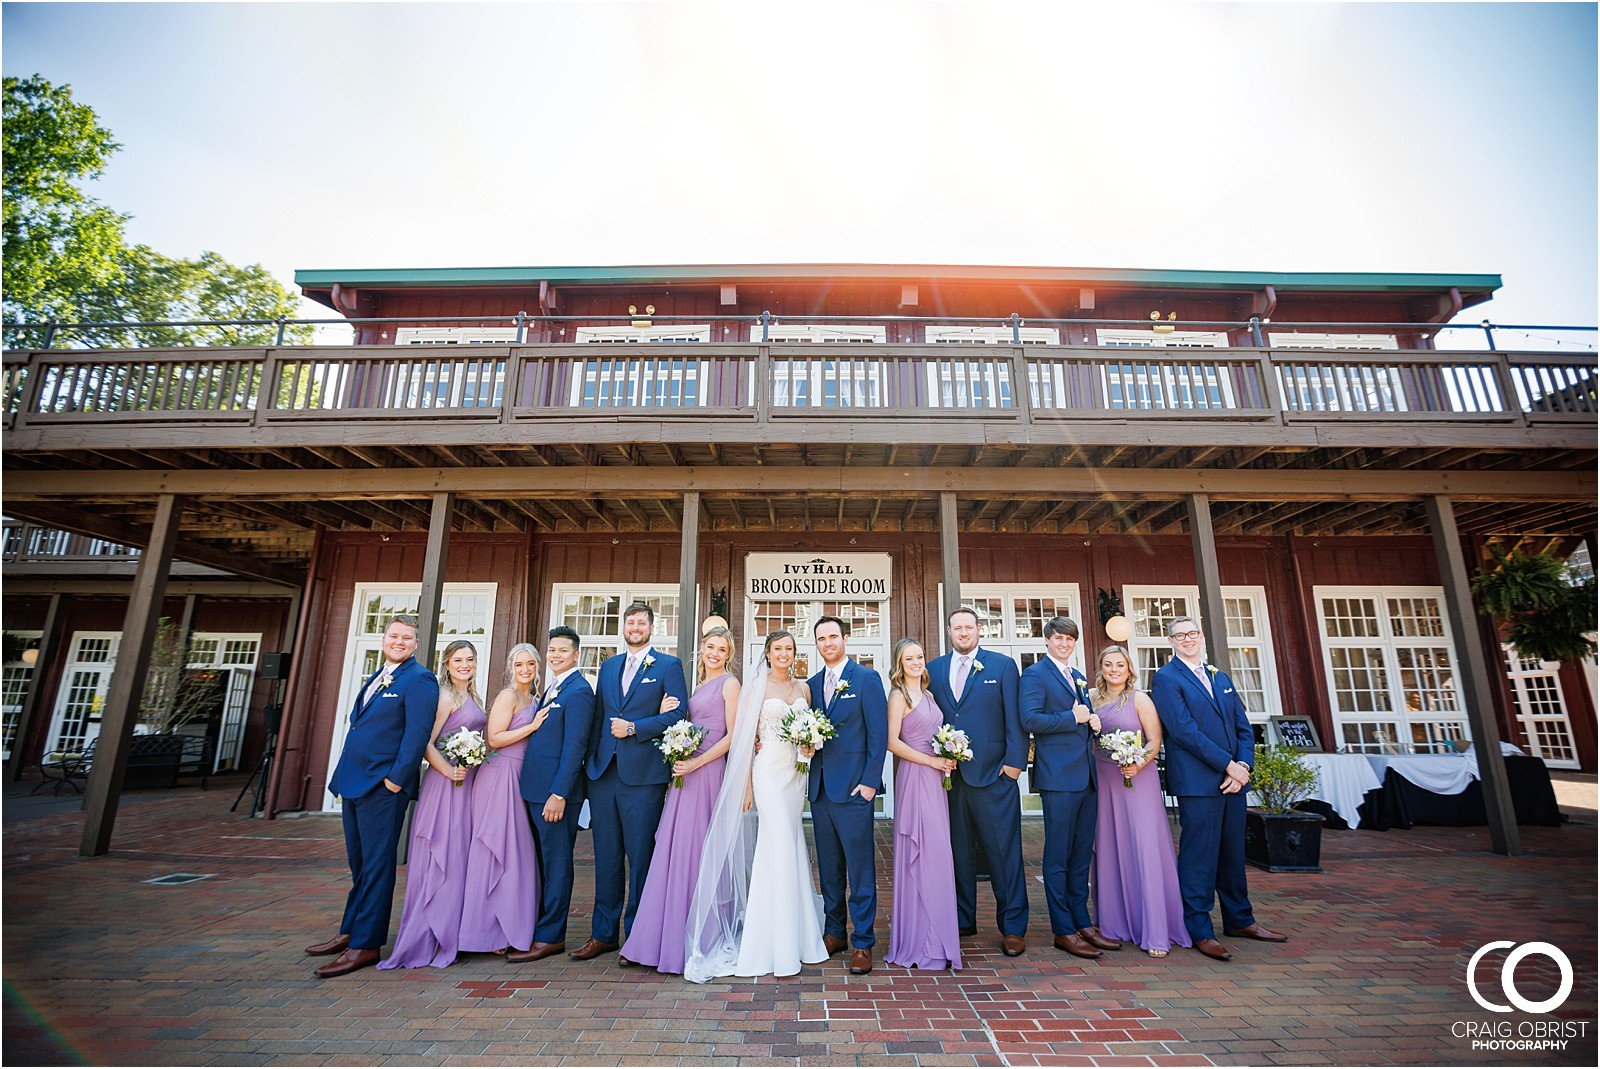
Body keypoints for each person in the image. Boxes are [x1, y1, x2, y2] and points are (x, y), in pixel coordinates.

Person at [683, 630, 828, 982]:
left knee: (792, 845)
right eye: (777, 648)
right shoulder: (755, 688)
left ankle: (799, 935)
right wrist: (746, 783)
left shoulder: (804, 689)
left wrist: (810, 746)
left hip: (795, 777)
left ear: (795, 653)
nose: (784, 653)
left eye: (789, 648)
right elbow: (746, 739)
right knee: (774, 845)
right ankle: (770, 944)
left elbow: (810, 733)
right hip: (766, 776)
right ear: (767, 653)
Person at [308, 614, 439, 978]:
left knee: (379, 866)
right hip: (353, 783)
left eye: (407, 638)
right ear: (384, 639)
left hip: (382, 788)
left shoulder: (419, 680)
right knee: (360, 863)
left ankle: (365, 944)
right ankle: (350, 930)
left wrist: (395, 781)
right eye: (393, 635)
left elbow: (416, 735)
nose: (399, 642)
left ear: (416, 644)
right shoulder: (377, 675)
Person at [1149, 616, 1286, 962]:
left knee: (1232, 852)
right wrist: (1229, 765)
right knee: (1199, 857)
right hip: (1198, 782)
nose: (1187, 639)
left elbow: (1243, 726)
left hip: (1233, 781)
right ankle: (1199, 929)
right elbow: (1183, 731)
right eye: (1180, 636)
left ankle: (1240, 919)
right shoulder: (1166, 678)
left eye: (1192, 633)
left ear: (1202, 637)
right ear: (1171, 642)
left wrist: (1244, 768)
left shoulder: (1219, 676)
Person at [620, 625, 740, 973]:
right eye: (710, 647)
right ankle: (659, 937)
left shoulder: (730, 685)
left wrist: (698, 761)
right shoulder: (697, 684)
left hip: (706, 771)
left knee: (697, 849)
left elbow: (734, 736)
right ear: (701, 650)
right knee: (672, 848)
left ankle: (699, 936)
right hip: (683, 772)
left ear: (728, 654)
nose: (714, 653)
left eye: (721, 649)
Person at [573, 603, 690, 961]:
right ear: (623, 628)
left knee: (640, 857)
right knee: (606, 856)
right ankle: (603, 933)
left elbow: (679, 712)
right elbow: (597, 717)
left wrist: (637, 728)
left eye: (642, 622)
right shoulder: (608, 666)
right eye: (630, 622)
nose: (635, 626)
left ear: (652, 628)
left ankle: (636, 937)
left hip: (643, 775)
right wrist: (588, 765)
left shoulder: (668, 666)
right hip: (604, 773)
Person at [378, 640, 488, 969]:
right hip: (445, 784)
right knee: (444, 856)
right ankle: (430, 934)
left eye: (469, 659)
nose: (464, 665)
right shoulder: (442, 696)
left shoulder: (474, 695)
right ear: (447, 663)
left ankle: (456, 930)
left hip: (467, 784)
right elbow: (424, 741)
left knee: (461, 858)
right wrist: (448, 769)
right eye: (458, 660)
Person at [925, 607, 1029, 956]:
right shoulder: (935, 669)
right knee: (957, 852)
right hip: (951, 780)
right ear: (950, 631)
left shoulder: (1001, 666)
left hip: (994, 778)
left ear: (980, 630)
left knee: (1004, 853)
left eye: (970, 627)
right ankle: (962, 918)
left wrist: (1014, 765)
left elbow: (1015, 719)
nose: (964, 633)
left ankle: (1012, 926)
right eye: (958, 628)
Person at [1019, 615, 1123, 960]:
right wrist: (1073, 718)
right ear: (1046, 640)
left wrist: (1091, 722)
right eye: (1058, 639)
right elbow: (1030, 720)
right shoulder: (1035, 675)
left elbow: (1081, 718)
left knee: (1081, 856)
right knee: (1058, 857)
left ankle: (1083, 923)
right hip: (1059, 780)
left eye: (1070, 639)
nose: (1064, 644)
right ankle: (1063, 930)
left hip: (1087, 778)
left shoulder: (1077, 676)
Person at [1088, 644, 1189, 958]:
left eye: (1120, 664)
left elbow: (1155, 740)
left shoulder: (1141, 699)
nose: (1115, 669)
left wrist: (1138, 763)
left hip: (1136, 779)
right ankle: (1113, 924)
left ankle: (1156, 929)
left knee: (1144, 846)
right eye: (1108, 664)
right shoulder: (1091, 698)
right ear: (1101, 668)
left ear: (1129, 669)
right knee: (1107, 846)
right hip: (1103, 779)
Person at [807, 615, 889, 975]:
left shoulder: (867, 679)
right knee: (828, 868)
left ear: (846, 639)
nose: (828, 643)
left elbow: (878, 734)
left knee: (859, 868)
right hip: (821, 790)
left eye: (833, 637)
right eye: (821, 638)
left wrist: (870, 781)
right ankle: (835, 931)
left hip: (855, 789)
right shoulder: (810, 685)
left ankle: (863, 941)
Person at [508, 627, 594, 963]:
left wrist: (559, 793)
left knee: (556, 863)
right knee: (540, 861)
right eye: (552, 650)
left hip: (555, 796)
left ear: (576, 655)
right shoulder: (552, 688)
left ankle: (550, 936)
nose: (556, 655)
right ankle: (537, 925)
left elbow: (575, 747)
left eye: (563, 650)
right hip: (533, 789)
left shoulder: (579, 691)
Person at [458, 643, 547, 956]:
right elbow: (494, 739)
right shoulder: (508, 696)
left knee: (517, 852)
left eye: (531, 665)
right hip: (499, 775)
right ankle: (485, 932)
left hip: (522, 776)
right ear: (511, 667)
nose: (525, 670)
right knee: (495, 848)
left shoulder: (536, 698)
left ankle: (511, 925)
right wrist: (534, 726)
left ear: (538, 668)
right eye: (519, 665)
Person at [883, 638, 962, 971]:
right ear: (899, 664)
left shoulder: (929, 695)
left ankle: (939, 937)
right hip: (916, 776)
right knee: (922, 848)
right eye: (908, 658)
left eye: (919, 656)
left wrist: (948, 755)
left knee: (938, 852)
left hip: (936, 779)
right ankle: (919, 940)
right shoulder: (898, 696)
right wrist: (931, 763)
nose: (916, 662)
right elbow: (891, 742)